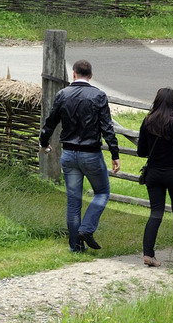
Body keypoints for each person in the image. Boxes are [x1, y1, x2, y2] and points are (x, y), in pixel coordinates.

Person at [38, 59, 120, 254]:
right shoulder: (98, 96)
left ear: (73, 74)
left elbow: (50, 122)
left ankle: (75, 247)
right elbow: (107, 128)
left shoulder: (62, 94)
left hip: (68, 154)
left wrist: (43, 143)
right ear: (91, 76)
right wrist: (114, 153)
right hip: (91, 154)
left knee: (73, 202)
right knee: (102, 192)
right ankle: (87, 229)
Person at [136, 87, 173, 266]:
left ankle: (148, 253)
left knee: (156, 212)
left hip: (154, 173)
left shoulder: (147, 122)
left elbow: (141, 151)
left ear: (156, 101)